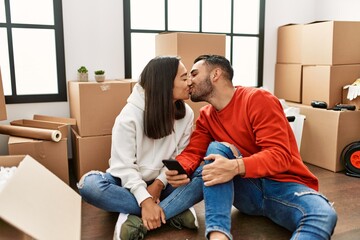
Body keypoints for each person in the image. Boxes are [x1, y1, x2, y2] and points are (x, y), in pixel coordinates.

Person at [166, 54, 338, 240]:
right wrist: (180, 168)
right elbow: (193, 152)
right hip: (248, 193)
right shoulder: (207, 115)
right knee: (217, 150)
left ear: (215, 74)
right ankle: (218, 235)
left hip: (285, 186)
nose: (189, 81)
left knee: (324, 215)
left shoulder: (257, 99)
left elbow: (279, 155)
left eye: (194, 74)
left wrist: (235, 166)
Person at [77, 56, 203, 240]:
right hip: (127, 183)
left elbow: (179, 158)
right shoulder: (129, 116)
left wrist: (158, 185)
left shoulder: (187, 114)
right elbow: (124, 166)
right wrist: (144, 199)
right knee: (89, 186)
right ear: (165, 84)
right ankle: (172, 211)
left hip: (164, 184)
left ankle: (136, 218)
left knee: (205, 175)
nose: (190, 82)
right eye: (184, 78)